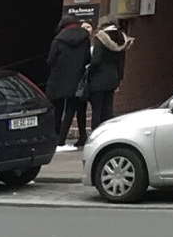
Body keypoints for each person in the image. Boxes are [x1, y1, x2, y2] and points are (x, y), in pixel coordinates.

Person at [45, 15, 93, 150]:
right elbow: (87, 59)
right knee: (71, 110)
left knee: (57, 109)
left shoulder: (58, 39)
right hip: (76, 78)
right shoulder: (85, 39)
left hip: (58, 79)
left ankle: (57, 138)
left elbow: (50, 61)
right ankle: (64, 140)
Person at [84, 20, 134, 132]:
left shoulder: (101, 38)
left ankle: (95, 134)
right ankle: (107, 133)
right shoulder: (121, 39)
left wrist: (89, 72)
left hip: (98, 79)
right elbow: (121, 63)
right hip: (112, 78)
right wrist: (118, 78)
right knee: (108, 109)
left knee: (97, 109)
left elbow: (96, 60)